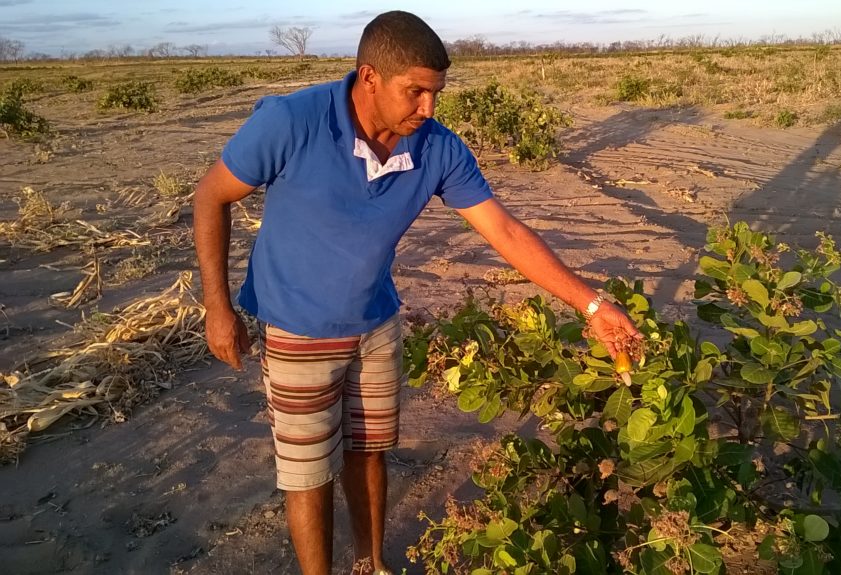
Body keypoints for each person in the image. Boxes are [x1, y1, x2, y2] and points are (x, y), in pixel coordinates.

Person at [193, 10, 641, 575]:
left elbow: (504, 231)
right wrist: (218, 307)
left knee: (369, 451)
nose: (428, 109)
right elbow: (210, 196)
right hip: (297, 326)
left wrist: (591, 305)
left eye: (437, 94)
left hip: (376, 324)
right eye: (417, 92)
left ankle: (372, 564)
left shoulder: (437, 147)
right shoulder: (291, 121)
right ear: (369, 77)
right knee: (308, 474)